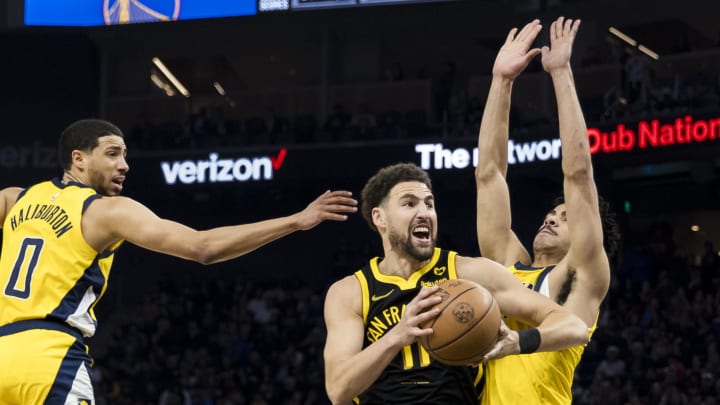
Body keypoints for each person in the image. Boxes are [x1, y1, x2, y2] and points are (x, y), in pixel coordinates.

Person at [0, 119, 358, 404]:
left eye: (125, 155)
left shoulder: (16, 199)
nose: (124, 165)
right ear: (78, 158)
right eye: (112, 154)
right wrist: (295, 220)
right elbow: (202, 247)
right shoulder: (105, 211)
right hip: (50, 358)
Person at [323, 162, 590, 404]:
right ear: (380, 217)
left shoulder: (470, 274)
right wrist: (397, 335)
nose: (424, 212)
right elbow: (338, 389)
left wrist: (517, 341)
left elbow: (575, 327)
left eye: (429, 203)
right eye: (409, 203)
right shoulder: (351, 292)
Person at [474, 18, 621, 404]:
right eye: (552, 213)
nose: (552, 218)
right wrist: (501, 81)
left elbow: (577, 174)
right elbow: (489, 176)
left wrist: (559, 73)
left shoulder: (581, 275)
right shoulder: (506, 264)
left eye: (566, 217)